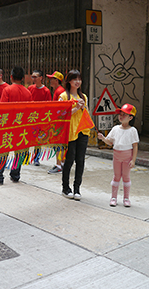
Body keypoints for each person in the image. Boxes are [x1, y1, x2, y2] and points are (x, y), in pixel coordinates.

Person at [0, 66, 32, 185]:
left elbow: (2, 109)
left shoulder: (7, 90)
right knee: (19, 152)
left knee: (4, 152)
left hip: (8, 126)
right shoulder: (28, 92)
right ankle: (15, 174)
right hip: (21, 126)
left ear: (11, 77)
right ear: (22, 78)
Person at [98, 104, 139, 207]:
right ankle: (113, 197)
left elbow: (135, 146)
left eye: (124, 114)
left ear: (130, 117)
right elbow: (110, 142)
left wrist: (133, 160)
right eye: (120, 114)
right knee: (116, 176)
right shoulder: (115, 129)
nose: (121, 116)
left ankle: (126, 198)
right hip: (116, 155)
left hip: (127, 156)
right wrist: (103, 138)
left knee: (126, 177)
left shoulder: (133, 131)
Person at [59, 69, 91, 200]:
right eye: (74, 79)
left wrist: (83, 108)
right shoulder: (64, 96)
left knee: (80, 160)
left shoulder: (84, 97)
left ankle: (77, 188)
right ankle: (66, 188)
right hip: (70, 132)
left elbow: (87, 115)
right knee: (69, 160)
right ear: (69, 81)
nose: (77, 82)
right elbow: (60, 115)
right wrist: (76, 108)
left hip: (83, 131)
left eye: (79, 79)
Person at [28, 70, 51, 166]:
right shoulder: (30, 88)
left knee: (38, 139)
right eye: (32, 77)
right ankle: (26, 157)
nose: (33, 79)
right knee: (28, 137)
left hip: (40, 118)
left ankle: (36, 158)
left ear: (41, 78)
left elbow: (48, 106)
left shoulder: (46, 91)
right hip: (30, 117)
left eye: (35, 77)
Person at [47, 71, 65, 174]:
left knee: (58, 144)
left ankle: (58, 165)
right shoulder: (58, 91)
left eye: (52, 79)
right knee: (59, 144)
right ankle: (61, 163)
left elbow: (59, 109)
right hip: (57, 121)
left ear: (56, 80)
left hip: (58, 122)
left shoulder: (60, 91)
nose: (50, 81)